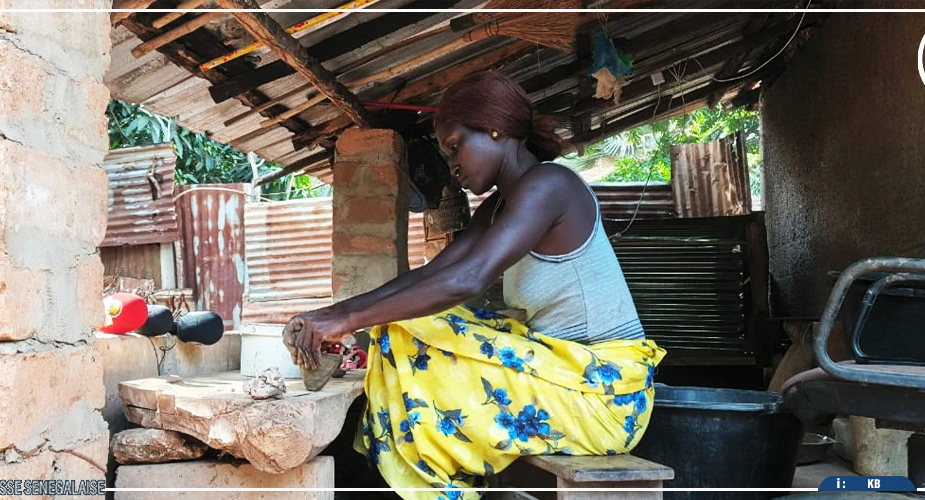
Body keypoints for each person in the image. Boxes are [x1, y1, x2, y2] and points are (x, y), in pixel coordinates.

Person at [284, 71, 665, 500]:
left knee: (409, 332)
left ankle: (440, 485)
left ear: (494, 129)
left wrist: (346, 318)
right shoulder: (504, 204)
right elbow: (430, 275)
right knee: (400, 328)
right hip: (568, 376)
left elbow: (468, 279)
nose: (452, 165)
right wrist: (335, 314)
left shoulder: (550, 184)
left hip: (605, 393)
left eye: (454, 146)